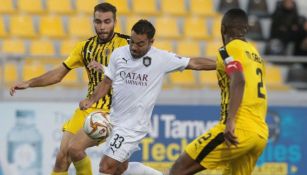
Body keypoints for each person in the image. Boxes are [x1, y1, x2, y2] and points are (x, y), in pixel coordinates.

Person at [9, 2, 134, 175]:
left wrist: (107, 70)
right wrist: (29, 83)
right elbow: (58, 74)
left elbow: (139, 73)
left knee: (77, 150)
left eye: (107, 22)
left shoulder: (127, 45)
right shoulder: (85, 47)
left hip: (113, 112)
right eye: (98, 22)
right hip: (89, 108)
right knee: (62, 156)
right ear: (93, 21)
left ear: (115, 22)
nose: (102, 27)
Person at [79, 19, 216, 174]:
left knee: (106, 167)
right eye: (132, 42)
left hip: (133, 127)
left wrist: (223, 65)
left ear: (151, 42)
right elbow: (106, 82)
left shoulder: (161, 58)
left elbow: (195, 63)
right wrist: (90, 100)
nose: (134, 47)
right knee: (120, 170)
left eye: (140, 44)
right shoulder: (118, 54)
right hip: (114, 122)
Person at [170, 8, 268, 175]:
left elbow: (239, 79)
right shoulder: (254, 54)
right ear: (246, 29)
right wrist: (177, 61)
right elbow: (213, 64)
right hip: (259, 134)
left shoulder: (228, 49)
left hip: (238, 128)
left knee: (178, 169)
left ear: (222, 29)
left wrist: (230, 120)